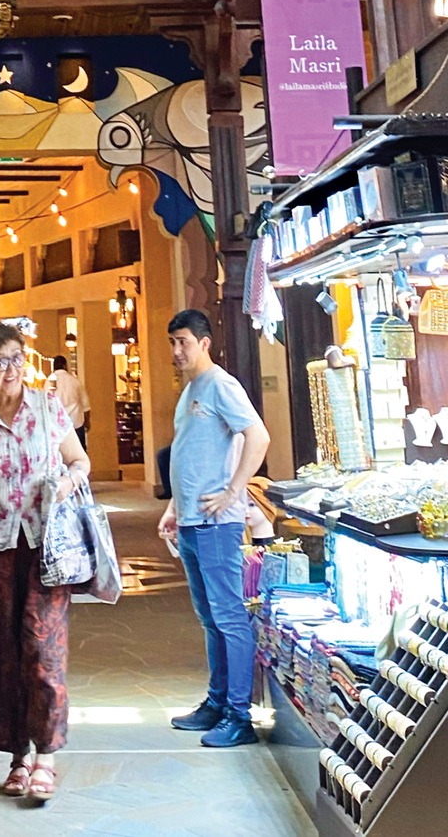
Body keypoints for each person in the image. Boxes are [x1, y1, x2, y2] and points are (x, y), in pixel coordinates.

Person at [0, 321, 91, 802]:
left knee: (43, 648)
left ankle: (46, 755)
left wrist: (68, 482)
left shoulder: (49, 408)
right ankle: (18, 754)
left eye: (16, 358)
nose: (10, 370)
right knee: (1, 655)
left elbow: (79, 461)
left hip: (47, 546)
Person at [159, 309, 271, 750]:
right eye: (172, 342)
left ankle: (239, 716)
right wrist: (174, 506)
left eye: (183, 342)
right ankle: (217, 701)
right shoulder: (190, 390)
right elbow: (189, 453)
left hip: (217, 523)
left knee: (229, 618)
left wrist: (233, 491)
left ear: (204, 343)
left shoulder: (221, 385)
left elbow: (258, 436)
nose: (176, 350)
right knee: (210, 618)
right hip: (191, 521)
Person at [46, 355, 91, 451]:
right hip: (76, 424)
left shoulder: (49, 383)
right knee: (79, 454)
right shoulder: (75, 381)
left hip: (58, 426)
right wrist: (87, 421)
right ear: (65, 365)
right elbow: (86, 405)